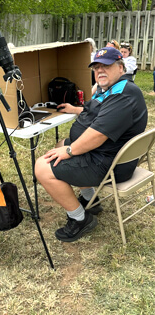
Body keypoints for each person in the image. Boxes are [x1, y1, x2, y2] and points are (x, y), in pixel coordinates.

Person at [35, 47, 147, 243]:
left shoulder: (123, 95)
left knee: (43, 167)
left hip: (109, 164)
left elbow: (97, 136)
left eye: (106, 66)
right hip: (108, 154)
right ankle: (90, 199)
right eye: (96, 67)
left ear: (121, 67)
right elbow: (97, 112)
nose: (99, 71)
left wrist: (70, 151)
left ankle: (80, 219)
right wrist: (75, 110)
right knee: (60, 144)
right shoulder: (113, 88)